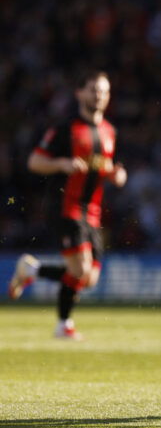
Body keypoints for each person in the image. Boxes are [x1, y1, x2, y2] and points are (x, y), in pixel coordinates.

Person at [8, 71, 127, 340]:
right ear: (80, 93)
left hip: (93, 212)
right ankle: (63, 325)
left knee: (89, 279)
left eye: (104, 91)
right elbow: (34, 161)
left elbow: (109, 168)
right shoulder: (64, 129)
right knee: (80, 270)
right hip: (66, 207)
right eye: (94, 90)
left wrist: (117, 175)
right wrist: (61, 164)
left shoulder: (109, 131)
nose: (99, 95)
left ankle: (32, 270)